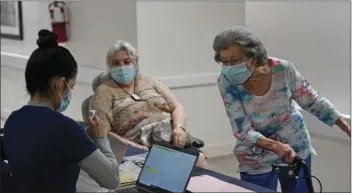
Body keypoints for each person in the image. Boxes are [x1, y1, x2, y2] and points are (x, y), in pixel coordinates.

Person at [213, 26, 351, 192]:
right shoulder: (226, 82)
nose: (229, 67)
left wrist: (348, 128)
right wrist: (275, 146)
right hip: (255, 154)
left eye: (234, 60)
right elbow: (242, 129)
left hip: (294, 145)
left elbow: (313, 101)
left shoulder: (282, 69)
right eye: (224, 61)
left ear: (254, 56)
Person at [3, 30, 120, 193]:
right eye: (71, 87)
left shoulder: (12, 121)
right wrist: (101, 138)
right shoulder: (64, 128)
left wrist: (82, 138)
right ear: (59, 84)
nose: (69, 93)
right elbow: (112, 179)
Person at [89, 40, 208, 167]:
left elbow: (177, 107)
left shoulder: (151, 82)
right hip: (140, 146)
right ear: (110, 67)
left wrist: (179, 128)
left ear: (135, 63)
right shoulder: (104, 92)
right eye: (116, 63)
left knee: (199, 161)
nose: (122, 67)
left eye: (127, 61)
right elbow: (101, 131)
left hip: (171, 136)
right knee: (182, 165)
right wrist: (134, 147)